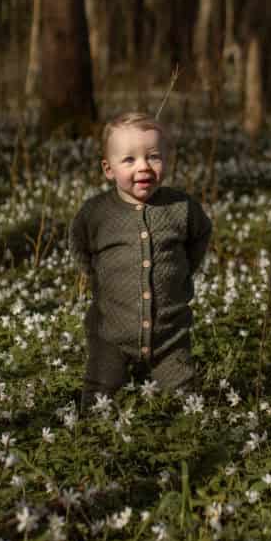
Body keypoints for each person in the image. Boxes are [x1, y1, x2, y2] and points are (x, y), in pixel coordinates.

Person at [69, 111, 212, 410]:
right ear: (108, 169)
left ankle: (192, 438)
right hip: (111, 335)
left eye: (153, 157)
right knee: (98, 393)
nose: (144, 167)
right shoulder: (96, 213)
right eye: (129, 160)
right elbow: (79, 242)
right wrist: (96, 275)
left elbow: (201, 235)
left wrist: (184, 269)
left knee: (187, 396)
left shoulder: (182, 208)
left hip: (169, 336)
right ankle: (89, 439)